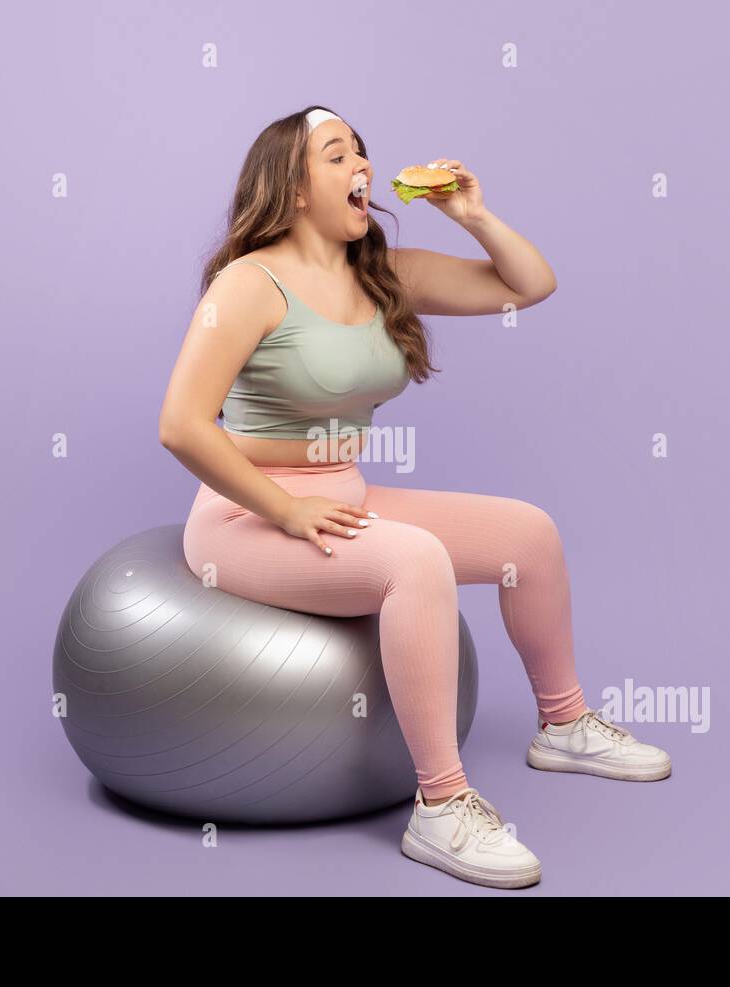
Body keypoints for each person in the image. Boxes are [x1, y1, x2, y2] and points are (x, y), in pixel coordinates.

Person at [158, 105, 670, 890]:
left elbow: (530, 284)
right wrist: (284, 508)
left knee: (527, 536)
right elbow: (182, 425)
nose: (360, 164)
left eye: (361, 151)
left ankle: (564, 724)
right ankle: (441, 805)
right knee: (416, 562)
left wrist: (473, 215)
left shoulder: (379, 272)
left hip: (342, 493)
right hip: (243, 516)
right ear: (293, 188)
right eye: (337, 154)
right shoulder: (249, 283)